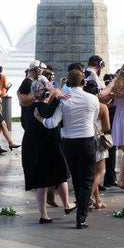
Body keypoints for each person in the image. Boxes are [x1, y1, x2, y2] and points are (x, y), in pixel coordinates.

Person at [36, 69, 99, 229]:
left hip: (69, 143)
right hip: (87, 141)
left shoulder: (64, 100)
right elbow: (94, 119)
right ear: (83, 82)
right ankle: (82, 216)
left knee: (76, 178)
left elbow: (52, 123)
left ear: (68, 83)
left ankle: (80, 207)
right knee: (87, 180)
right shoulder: (93, 99)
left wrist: (40, 118)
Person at [19, 61, 72, 221]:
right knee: (61, 175)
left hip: (31, 148)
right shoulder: (49, 108)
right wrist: (59, 95)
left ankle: (43, 214)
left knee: (41, 183)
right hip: (50, 147)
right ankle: (67, 204)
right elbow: (54, 121)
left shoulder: (29, 110)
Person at [87, 79, 112, 210]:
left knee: (92, 171)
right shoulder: (102, 107)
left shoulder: (84, 104)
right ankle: (88, 197)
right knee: (99, 172)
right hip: (98, 140)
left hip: (85, 138)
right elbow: (107, 127)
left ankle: (97, 200)